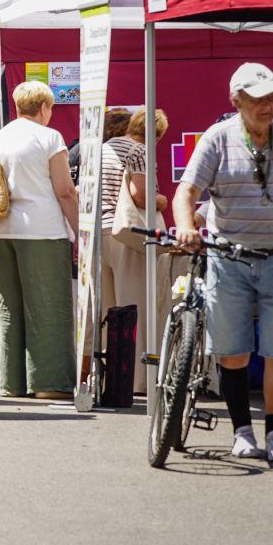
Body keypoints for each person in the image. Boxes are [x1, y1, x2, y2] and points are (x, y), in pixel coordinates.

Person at [174, 63, 273, 461]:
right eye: (258, 99)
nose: (268, 106)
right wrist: (185, 226)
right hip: (230, 257)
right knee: (233, 350)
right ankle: (243, 431)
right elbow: (185, 192)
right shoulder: (218, 139)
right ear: (236, 101)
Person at [0, 80, 78, 401]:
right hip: (42, 229)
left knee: (10, 306)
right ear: (43, 107)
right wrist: (80, 231)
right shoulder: (49, 137)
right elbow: (65, 190)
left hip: (4, 230)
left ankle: (12, 382)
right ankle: (50, 383)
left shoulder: (0, 136)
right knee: (49, 307)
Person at [99, 107, 172, 394]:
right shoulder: (140, 151)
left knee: (109, 310)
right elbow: (141, 195)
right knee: (134, 308)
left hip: (100, 233)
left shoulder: (104, 148)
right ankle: (137, 380)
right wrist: (163, 201)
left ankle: (111, 376)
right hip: (126, 236)